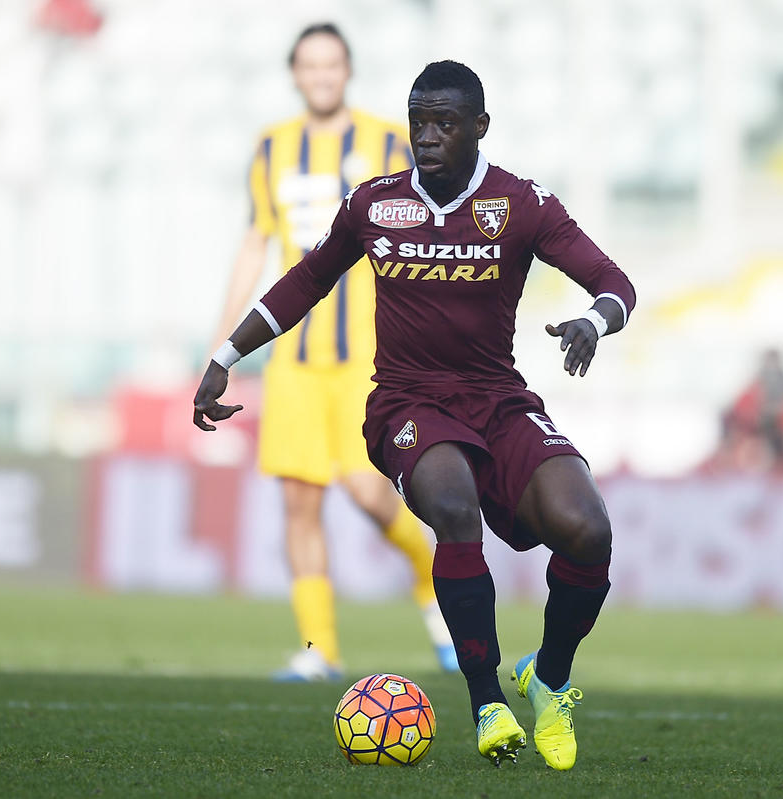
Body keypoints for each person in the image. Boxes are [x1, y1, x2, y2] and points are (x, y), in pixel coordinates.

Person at [195, 60, 636, 771]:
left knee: (588, 527)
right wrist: (226, 354)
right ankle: (487, 701)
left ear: (479, 128)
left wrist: (594, 319)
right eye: (418, 123)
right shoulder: (374, 203)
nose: (427, 137)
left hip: (498, 398)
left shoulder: (521, 203)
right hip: (407, 401)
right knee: (454, 507)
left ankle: (549, 678)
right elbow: (307, 280)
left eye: (444, 124)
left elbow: (613, 282)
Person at [208, 23, 455, 682]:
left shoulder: (387, 142)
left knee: (371, 494)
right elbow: (256, 242)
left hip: (368, 357)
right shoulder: (271, 148)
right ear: (295, 73)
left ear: (347, 70)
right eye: (310, 65)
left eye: (332, 63)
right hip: (293, 359)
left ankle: (431, 583)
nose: (321, 75)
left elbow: (429, 231)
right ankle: (319, 650)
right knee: (299, 503)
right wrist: (224, 340)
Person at [718, 348, 783, 470]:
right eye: (769, 365)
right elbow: (739, 414)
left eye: (775, 365)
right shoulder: (753, 391)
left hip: (777, 438)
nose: (772, 372)